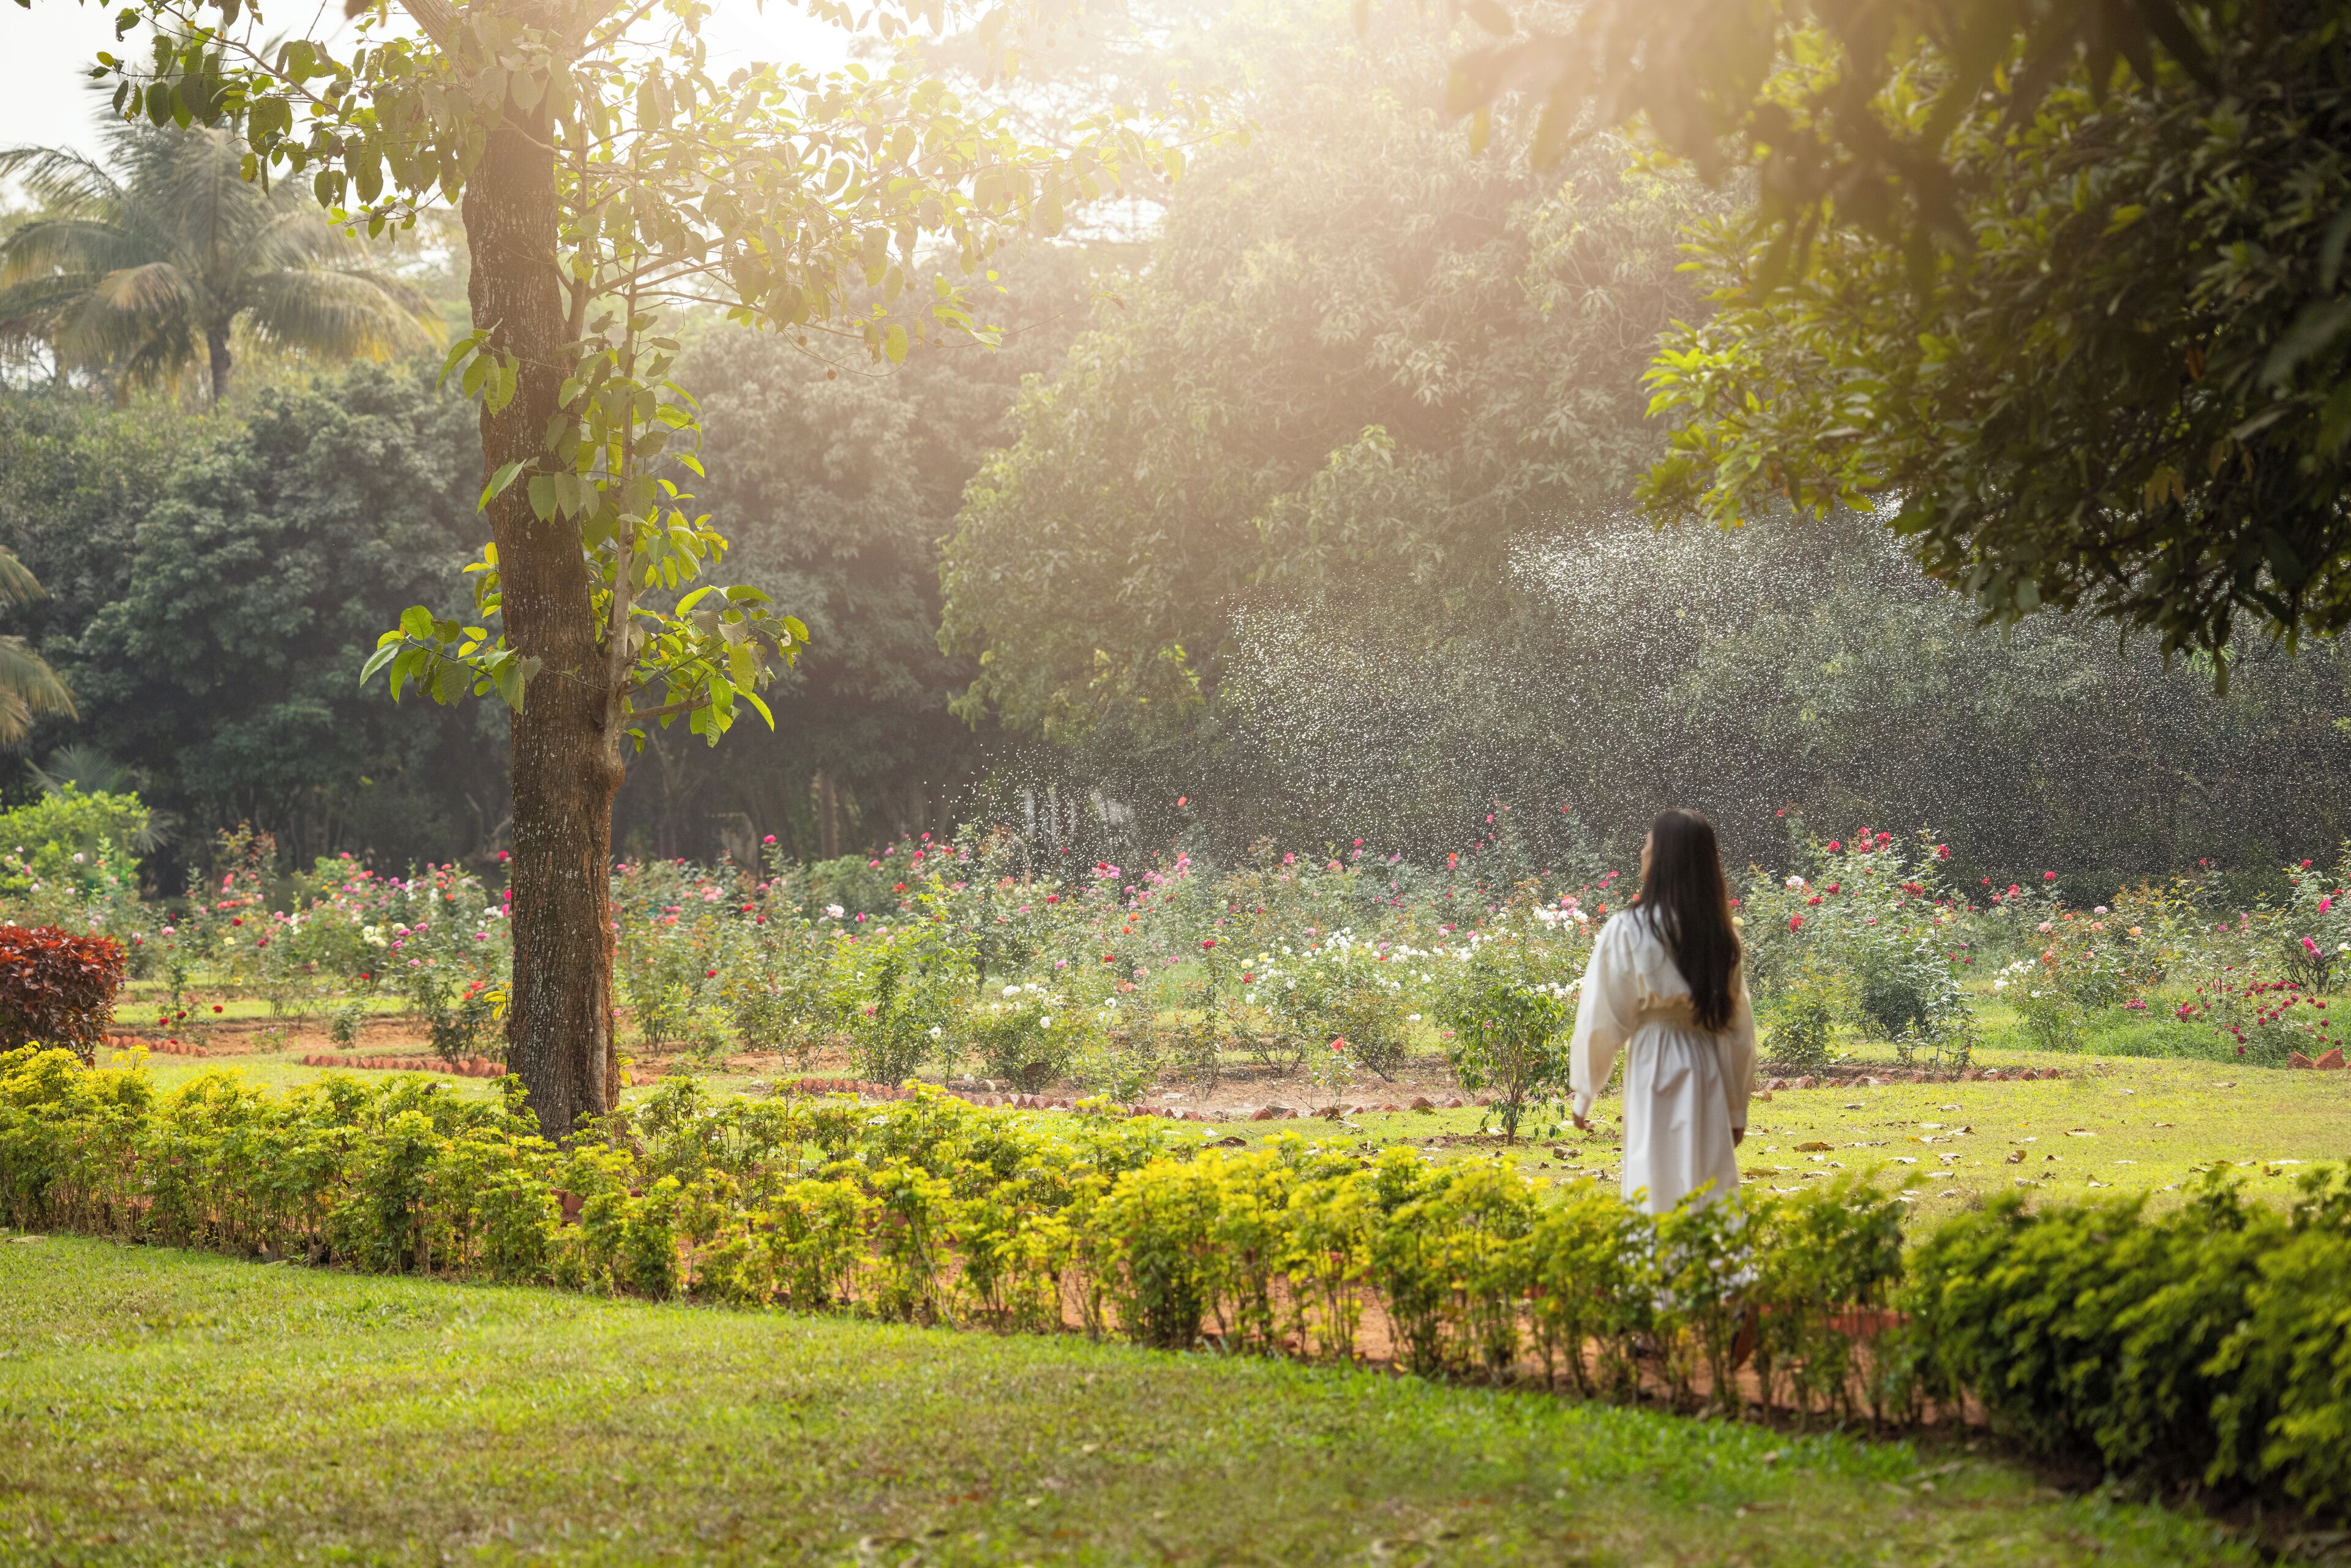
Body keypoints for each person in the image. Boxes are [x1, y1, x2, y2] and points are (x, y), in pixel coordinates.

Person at [1568, 808, 1758, 1213]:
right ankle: (1708, 1251)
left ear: (1665, 858)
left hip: (1653, 1063)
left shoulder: (1629, 929)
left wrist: (1585, 1092)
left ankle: (1658, 1250)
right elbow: (1737, 1027)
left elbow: (1603, 1017)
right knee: (1706, 1179)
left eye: (1649, 845)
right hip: (1705, 1064)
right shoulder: (1719, 934)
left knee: (1653, 1175)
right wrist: (1736, 1107)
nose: (1642, 852)